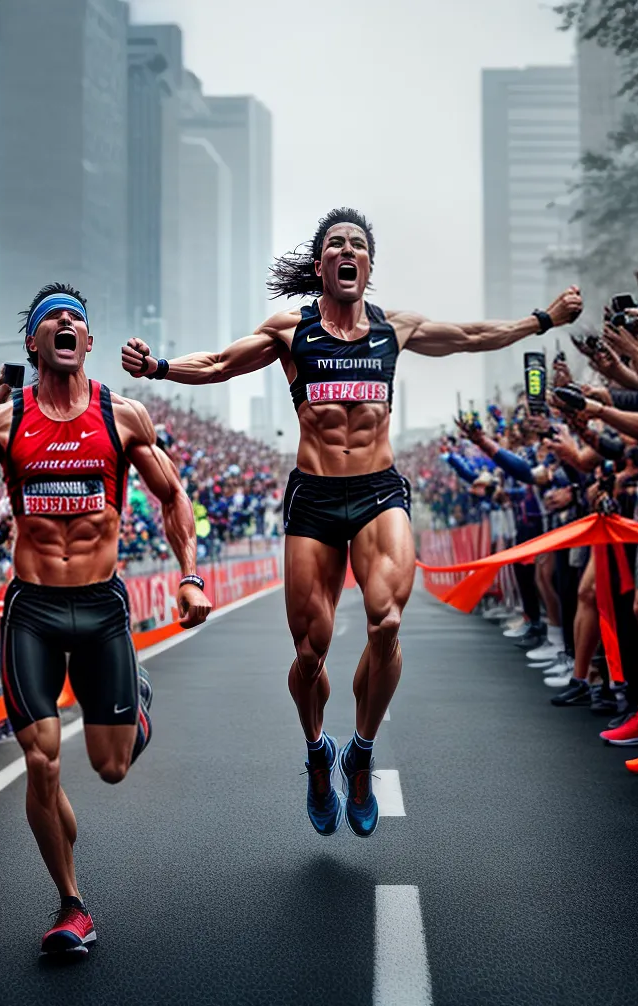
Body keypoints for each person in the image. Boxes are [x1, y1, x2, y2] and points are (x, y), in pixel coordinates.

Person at [121, 208, 583, 837]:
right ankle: (318, 754)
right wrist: (158, 368)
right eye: (335, 244)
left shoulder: (396, 327)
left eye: (357, 245)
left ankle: (360, 752)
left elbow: (473, 335)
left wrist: (543, 320)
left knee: (387, 620)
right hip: (313, 498)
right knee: (310, 653)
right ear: (321, 266)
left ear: (367, 265)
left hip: (377, 490)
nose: (346, 251)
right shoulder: (292, 330)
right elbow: (223, 363)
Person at [0, 283, 211, 957]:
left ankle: (134, 705)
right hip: (33, 608)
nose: (64, 323)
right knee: (41, 760)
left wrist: (188, 576)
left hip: (100, 606)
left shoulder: (122, 416)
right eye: (49, 319)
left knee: (111, 767)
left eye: (75, 319)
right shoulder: (5, 423)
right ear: (34, 343)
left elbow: (172, 494)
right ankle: (72, 904)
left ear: (88, 342)